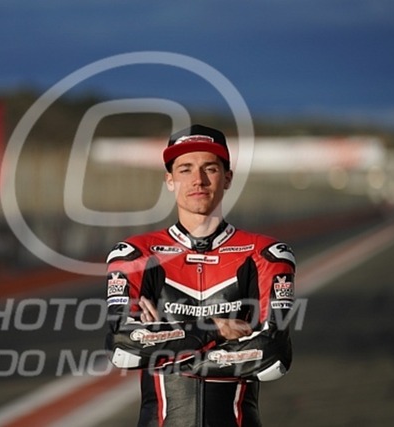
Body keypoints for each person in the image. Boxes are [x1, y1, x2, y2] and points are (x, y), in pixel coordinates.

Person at [104, 124, 296, 427]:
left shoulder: (265, 254)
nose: (198, 180)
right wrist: (214, 330)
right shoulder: (136, 255)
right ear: (169, 180)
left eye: (210, 168)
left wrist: (165, 347)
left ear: (228, 178)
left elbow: (273, 357)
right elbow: (122, 349)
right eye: (185, 169)